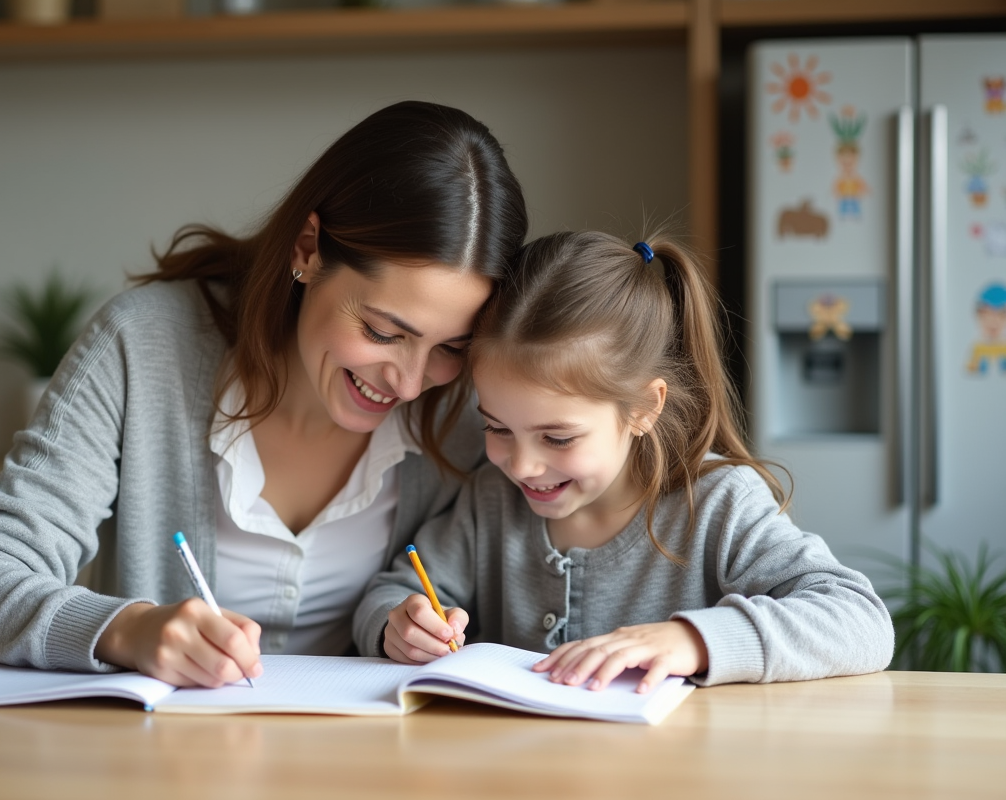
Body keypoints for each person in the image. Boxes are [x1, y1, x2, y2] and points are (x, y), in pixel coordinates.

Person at [0, 101, 529, 688]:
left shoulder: (479, 416)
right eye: (382, 332)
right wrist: (127, 630)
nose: (410, 382)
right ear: (309, 250)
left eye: (451, 348)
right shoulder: (143, 347)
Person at [354, 230, 894, 691]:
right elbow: (390, 591)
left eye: (558, 438)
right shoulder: (488, 503)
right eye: (496, 428)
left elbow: (860, 621)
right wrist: (398, 625)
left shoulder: (718, 503)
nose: (520, 466)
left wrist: (693, 640)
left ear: (643, 407)